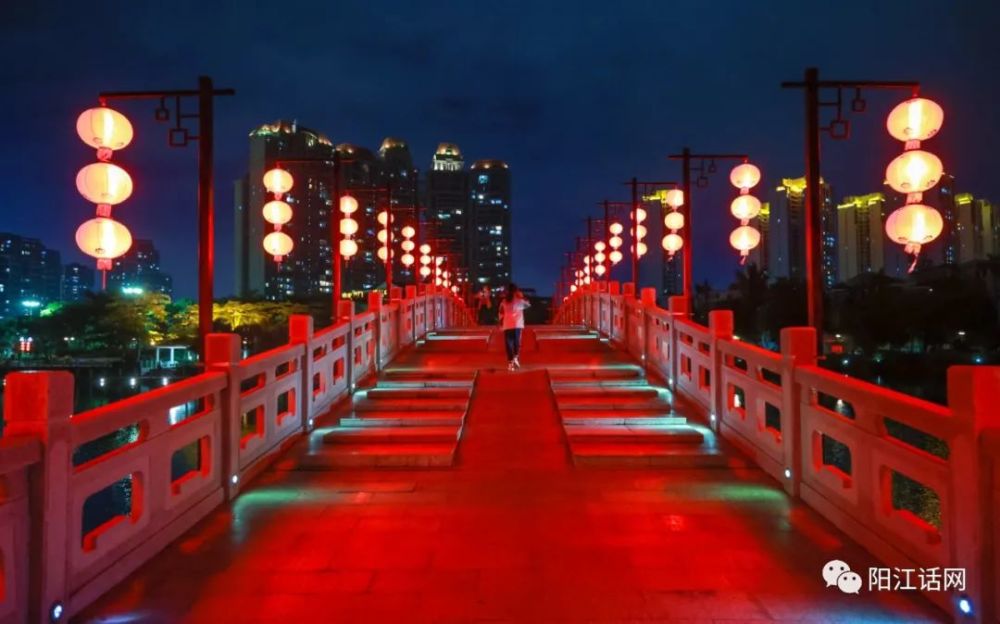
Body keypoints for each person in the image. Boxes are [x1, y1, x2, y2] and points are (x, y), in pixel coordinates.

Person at [498, 283, 530, 371]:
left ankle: (510, 362)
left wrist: (500, 323)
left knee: (509, 344)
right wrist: (522, 296)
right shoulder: (520, 301)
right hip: (517, 325)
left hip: (507, 325)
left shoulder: (504, 301)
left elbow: (500, 313)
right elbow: (528, 305)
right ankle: (516, 357)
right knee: (516, 343)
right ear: (516, 291)